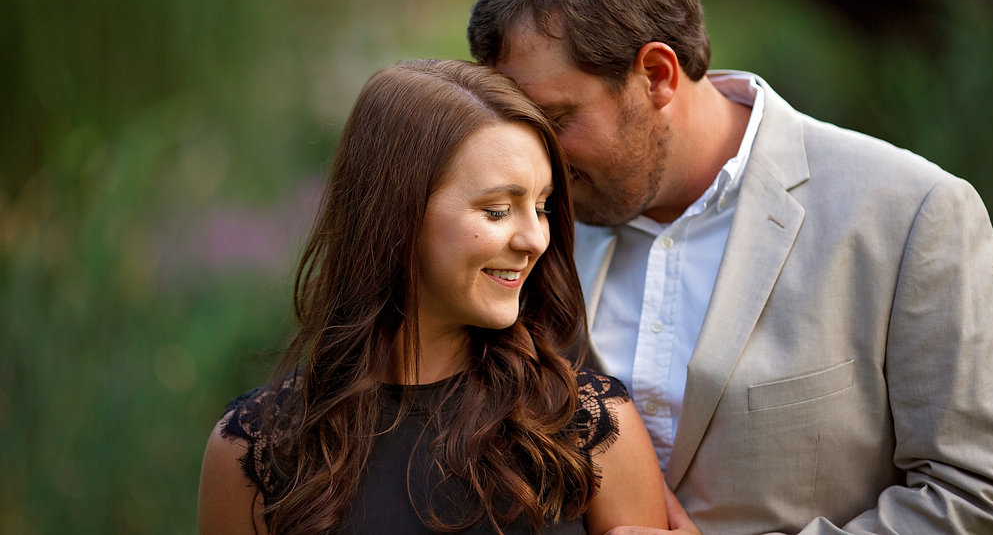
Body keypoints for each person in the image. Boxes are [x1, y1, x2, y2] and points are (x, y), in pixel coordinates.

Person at [467, 0, 993, 534]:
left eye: (555, 118)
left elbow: (990, 498)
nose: (536, 155)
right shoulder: (528, 222)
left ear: (656, 74)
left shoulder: (910, 214)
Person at [197, 59, 687, 534]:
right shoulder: (256, 450)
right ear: (396, 213)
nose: (536, 239)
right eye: (497, 210)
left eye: (541, 206)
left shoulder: (591, 427)